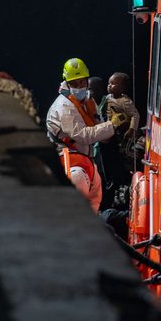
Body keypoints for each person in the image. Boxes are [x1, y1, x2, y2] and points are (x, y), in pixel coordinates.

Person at [46, 57, 129, 210]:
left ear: (86, 80)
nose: (79, 87)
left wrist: (115, 127)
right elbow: (83, 135)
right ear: (67, 83)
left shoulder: (87, 102)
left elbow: (99, 133)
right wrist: (112, 125)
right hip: (70, 165)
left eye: (82, 82)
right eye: (74, 84)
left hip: (86, 162)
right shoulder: (63, 106)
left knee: (94, 203)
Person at [98, 71, 143, 188]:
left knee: (126, 151)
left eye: (113, 84)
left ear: (122, 88)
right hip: (114, 131)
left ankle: (137, 160)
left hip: (126, 133)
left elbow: (135, 115)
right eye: (109, 83)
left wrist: (131, 129)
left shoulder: (125, 101)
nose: (109, 86)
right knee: (117, 154)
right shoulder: (107, 98)